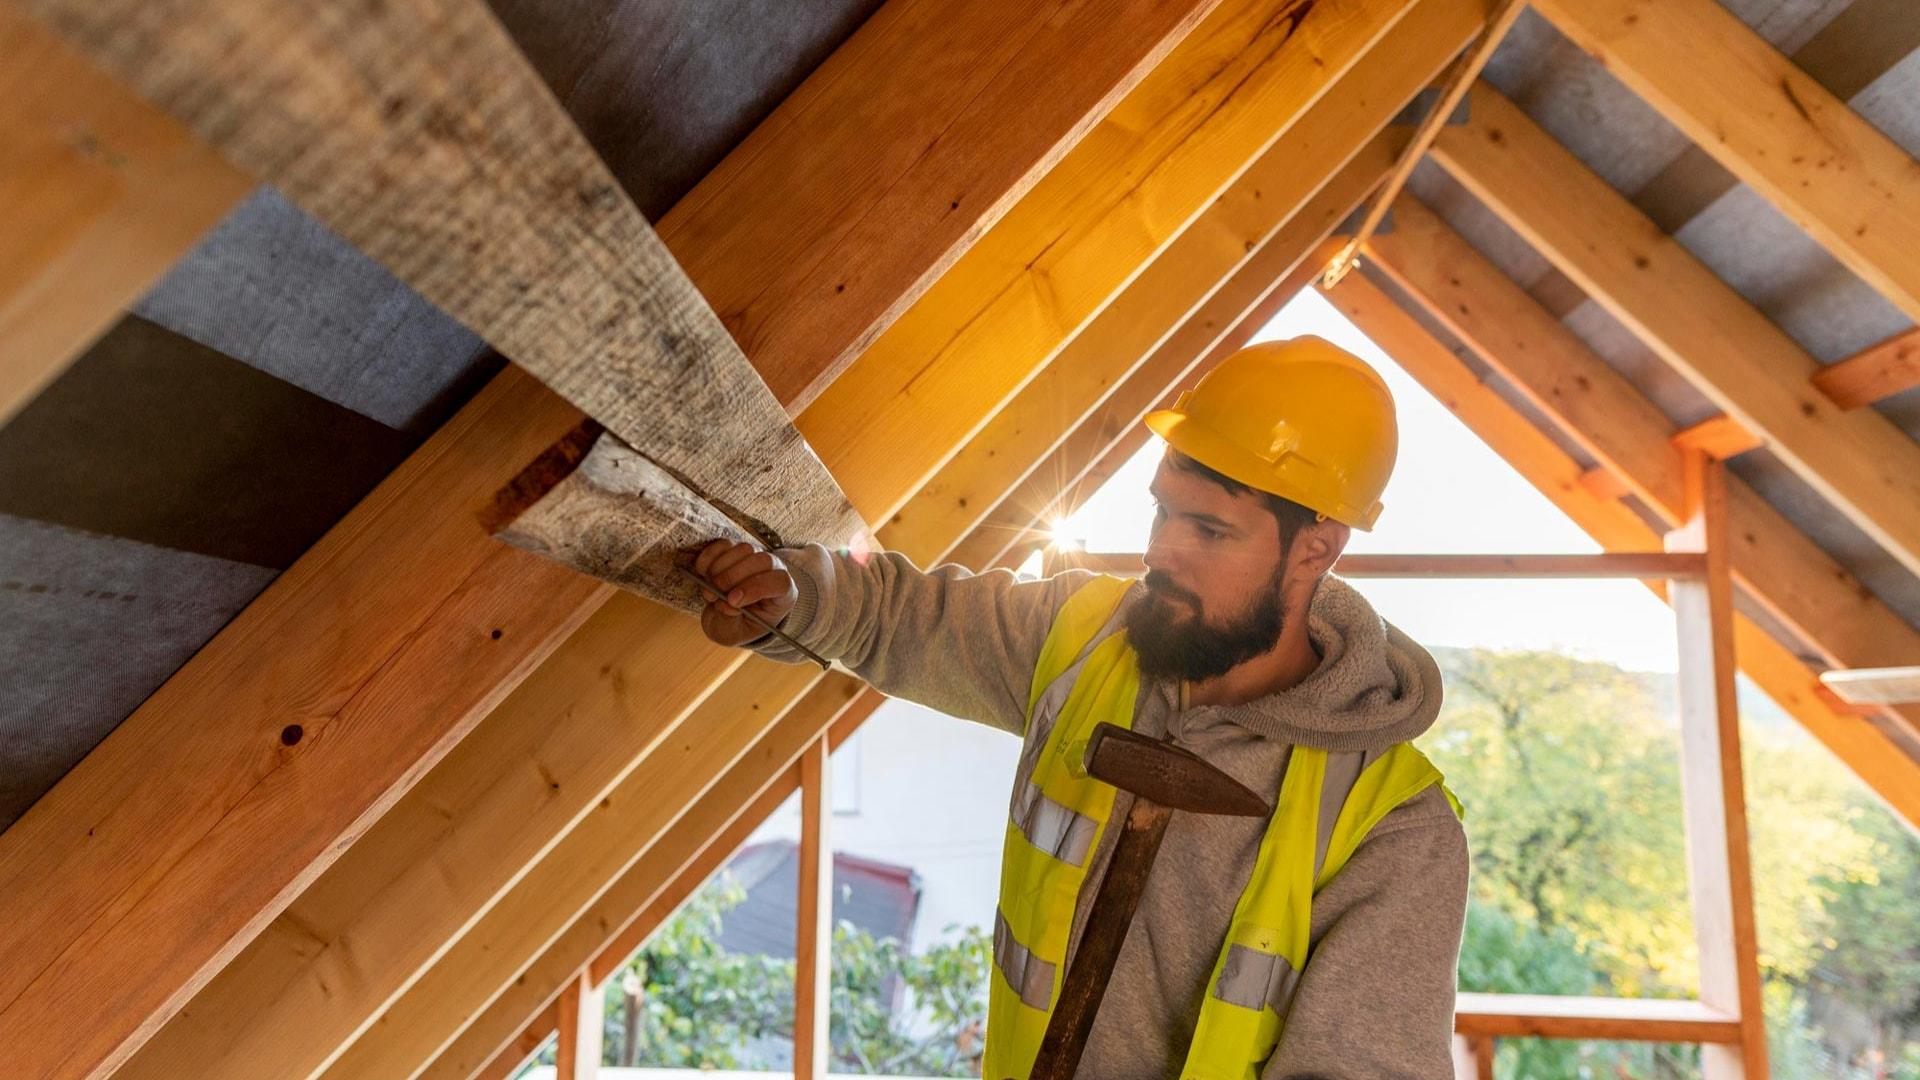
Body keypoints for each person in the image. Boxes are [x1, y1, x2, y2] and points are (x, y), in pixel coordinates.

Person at [694, 336, 1468, 1079]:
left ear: (1316, 549)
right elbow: (904, 620)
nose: (1162, 552)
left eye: (1209, 530)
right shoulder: (1083, 642)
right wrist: (794, 599)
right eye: (1164, 512)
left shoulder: (1391, 827)